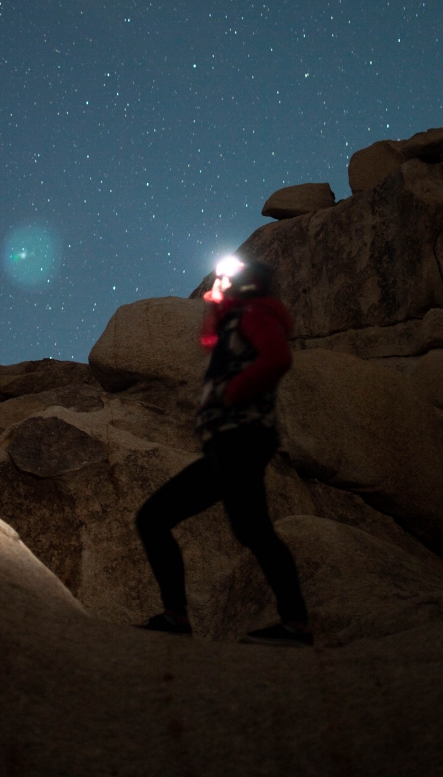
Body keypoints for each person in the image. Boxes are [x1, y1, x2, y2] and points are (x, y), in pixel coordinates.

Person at [135, 256, 312, 647]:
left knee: (246, 528)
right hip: (229, 443)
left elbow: (278, 358)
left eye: (232, 280)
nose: (226, 284)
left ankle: (295, 625)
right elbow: (208, 341)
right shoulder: (238, 317)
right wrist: (216, 305)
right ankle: (178, 616)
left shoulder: (255, 314)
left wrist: (233, 393)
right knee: (160, 519)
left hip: (241, 438)